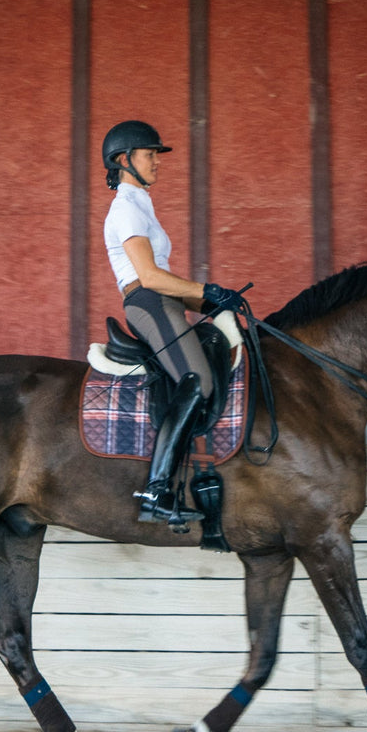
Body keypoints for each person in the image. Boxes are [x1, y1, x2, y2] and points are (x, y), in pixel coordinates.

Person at [101, 120, 241, 526]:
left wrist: (214, 302)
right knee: (196, 380)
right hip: (148, 302)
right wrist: (207, 289)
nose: (157, 163)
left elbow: (165, 278)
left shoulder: (141, 203)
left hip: (163, 300)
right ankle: (156, 489)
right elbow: (149, 277)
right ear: (124, 161)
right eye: (150, 155)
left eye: (157, 156)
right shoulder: (125, 208)